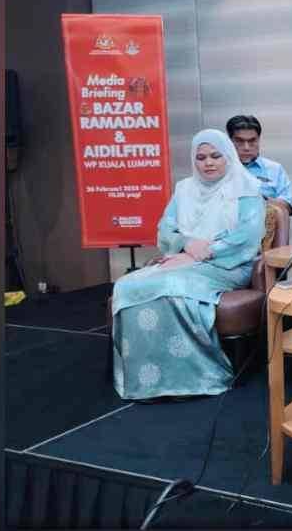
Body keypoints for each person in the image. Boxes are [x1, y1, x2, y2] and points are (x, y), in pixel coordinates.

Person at [111, 129, 265, 401]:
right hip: (184, 258)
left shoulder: (246, 188)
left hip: (228, 265)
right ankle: (146, 376)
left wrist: (200, 253)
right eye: (201, 157)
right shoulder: (184, 188)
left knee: (172, 284)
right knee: (128, 285)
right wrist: (186, 244)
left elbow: (246, 237)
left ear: (228, 156)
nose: (209, 163)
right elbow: (164, 230)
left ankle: (191, 377)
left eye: (216, 156)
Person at [226, 114, 292, 214]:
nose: (246, 147)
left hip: (268, 226)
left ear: (258, 139)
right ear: (230, 141)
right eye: (240, 141)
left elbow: (287, 206)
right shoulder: (221, 169)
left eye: (252, 141)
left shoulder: (275, 169)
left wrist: (259, 200)